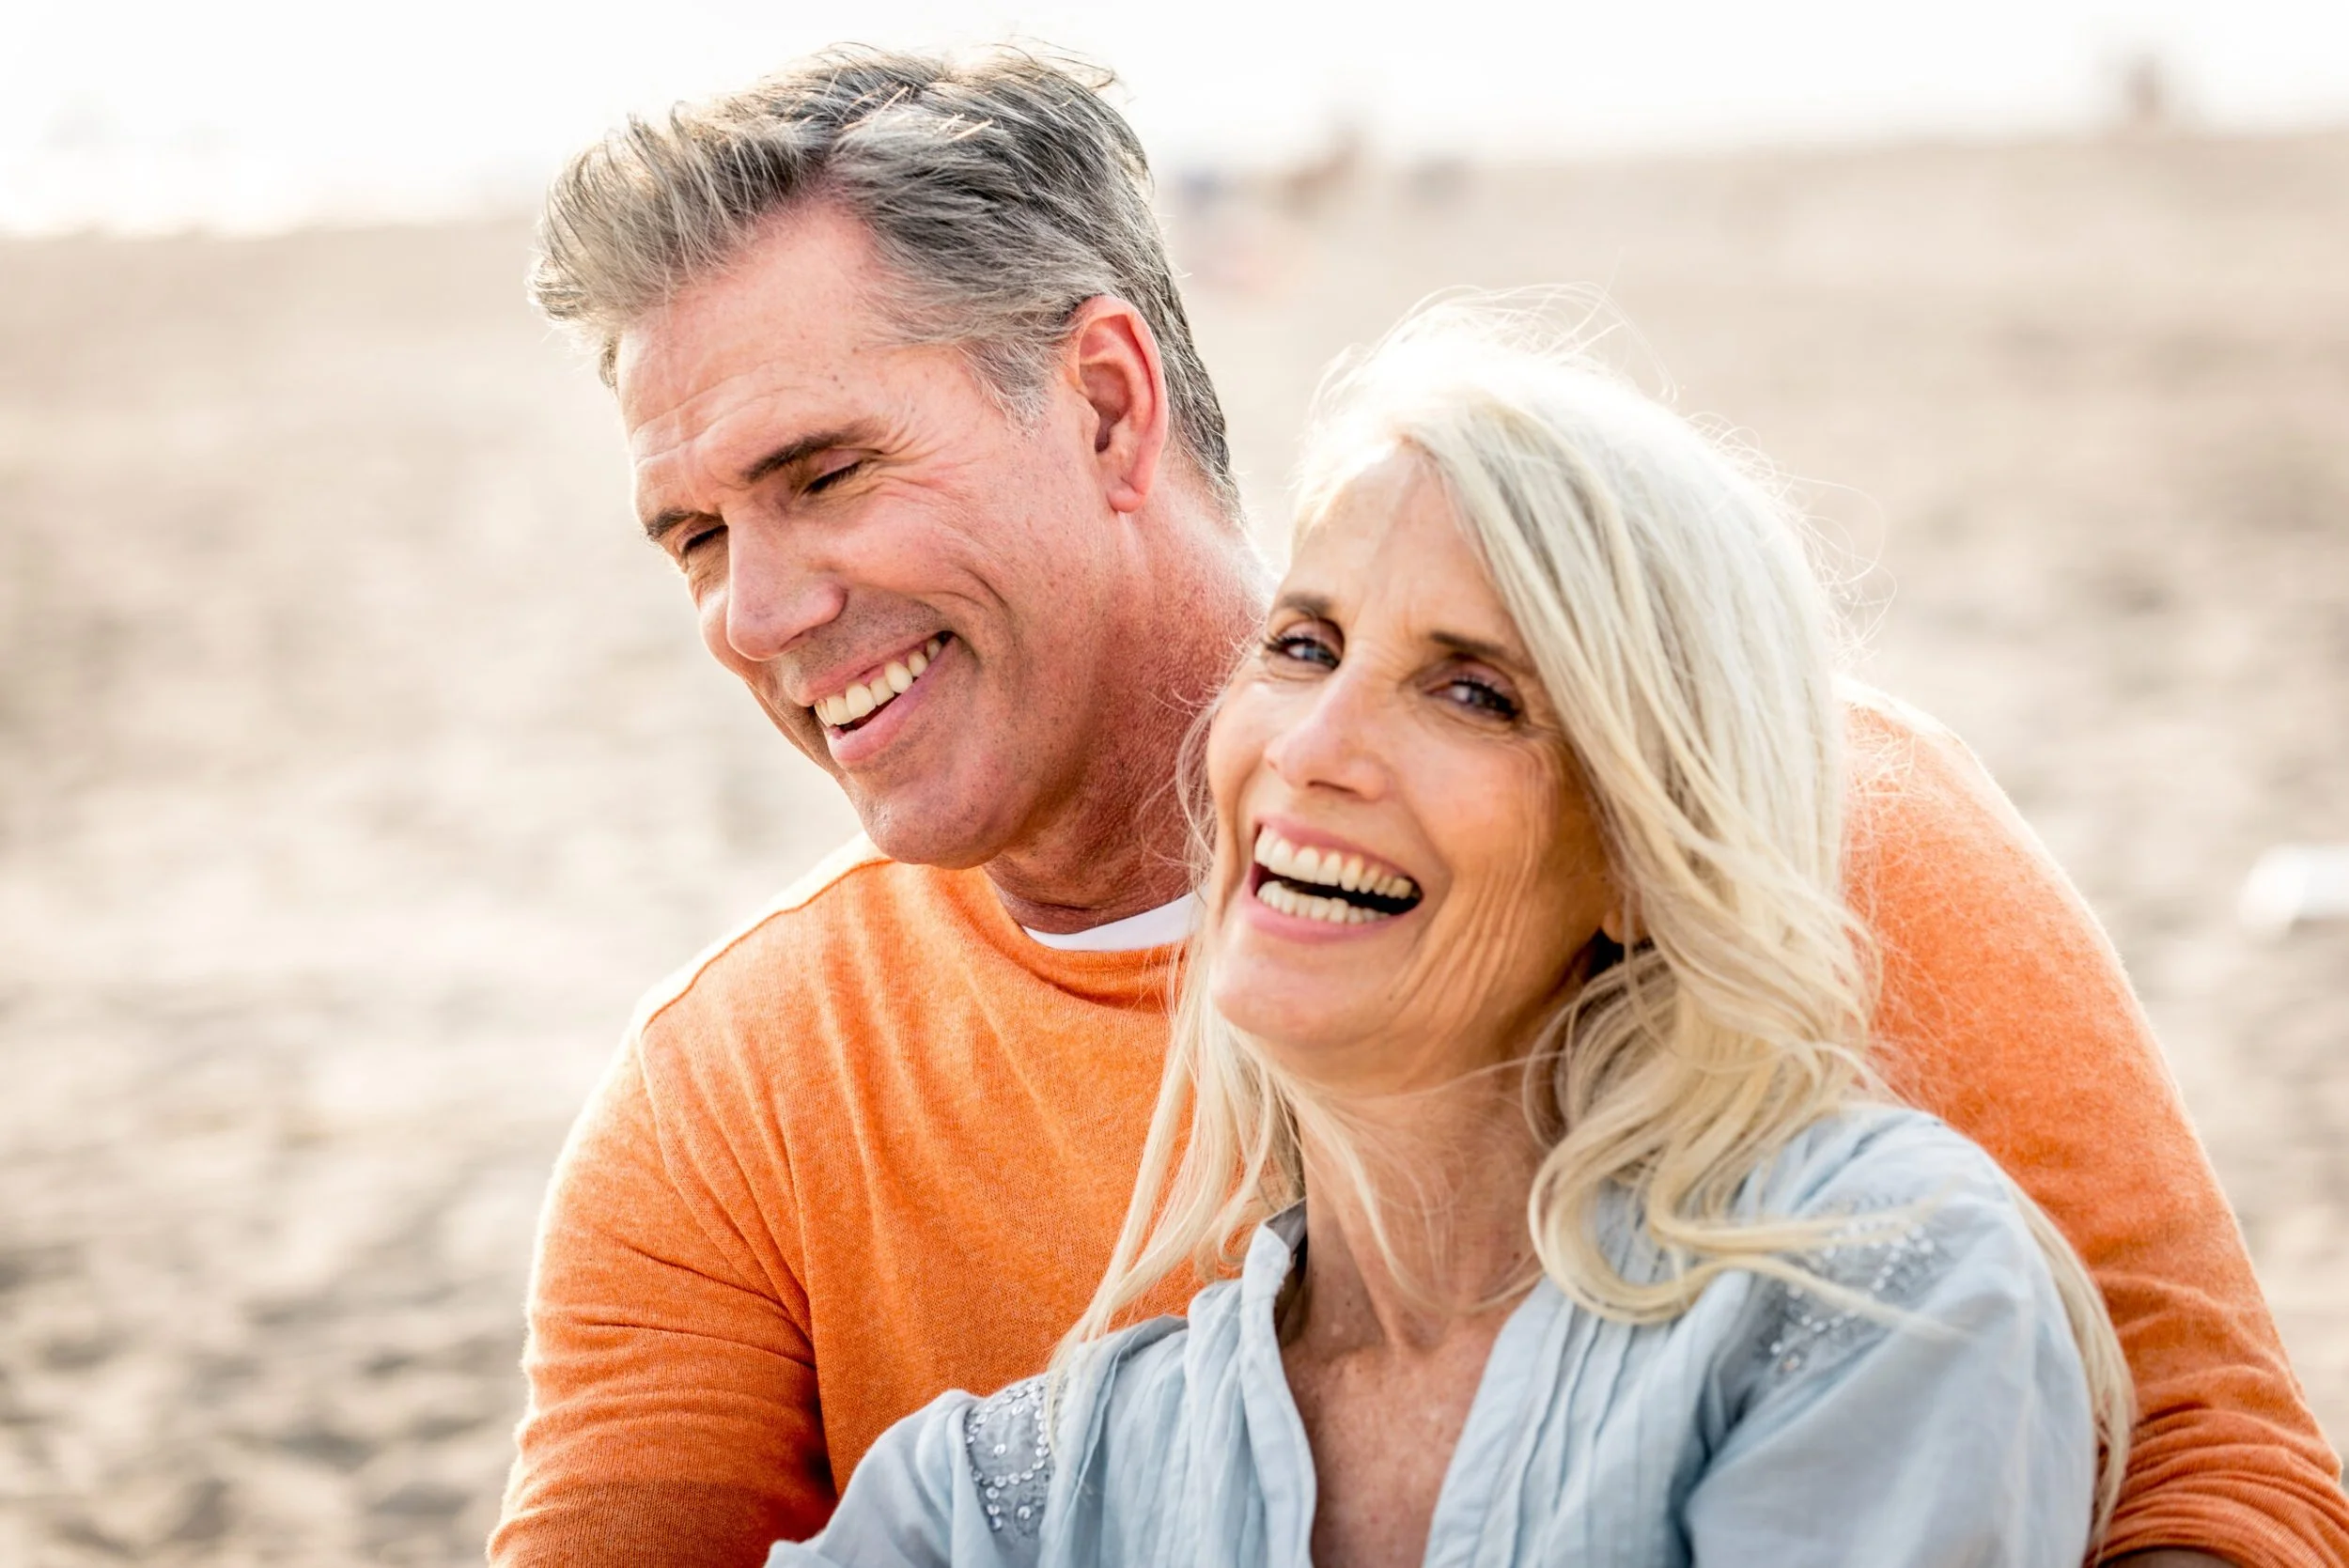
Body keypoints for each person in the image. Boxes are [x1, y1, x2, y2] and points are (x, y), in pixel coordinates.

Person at [491, 46, 2349, 1568]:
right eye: (695, 537)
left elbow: (2217, 1481)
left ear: (1111, 410)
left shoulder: (1784, 821)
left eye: (823, 472)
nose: (755, 609)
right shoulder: (736, 1103)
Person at [768, 299, 2132, 1568]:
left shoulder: (1868, 1287)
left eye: (1474, 693)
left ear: (1643, 857)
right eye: (1303, 646)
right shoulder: (1040, 1485)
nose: (1315, 747)